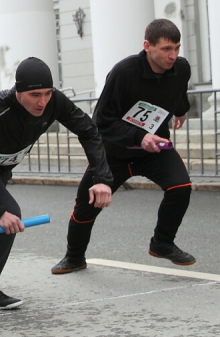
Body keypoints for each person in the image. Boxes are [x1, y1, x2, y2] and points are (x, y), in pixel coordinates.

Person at [0, 58, 112, 309]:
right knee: (8, 213)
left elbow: (88, 130)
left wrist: (102, 178)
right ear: (18, 91)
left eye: (47, 93)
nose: (42, 102)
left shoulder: (54, 102)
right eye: (34, 95)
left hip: (1, 166)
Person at [61, 19, 197, 272]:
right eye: (166, 49)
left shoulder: (181, 68)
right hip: (115, 151)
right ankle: (74, 257)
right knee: (87, 205)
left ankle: (162, 243)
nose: (173, 55)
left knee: (181, 187)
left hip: (155, 149)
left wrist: (181, 110)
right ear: (147, 46)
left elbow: (178, 92)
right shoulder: (124, 72)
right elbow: (101, 122)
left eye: (177, 48)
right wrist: (139, 136)